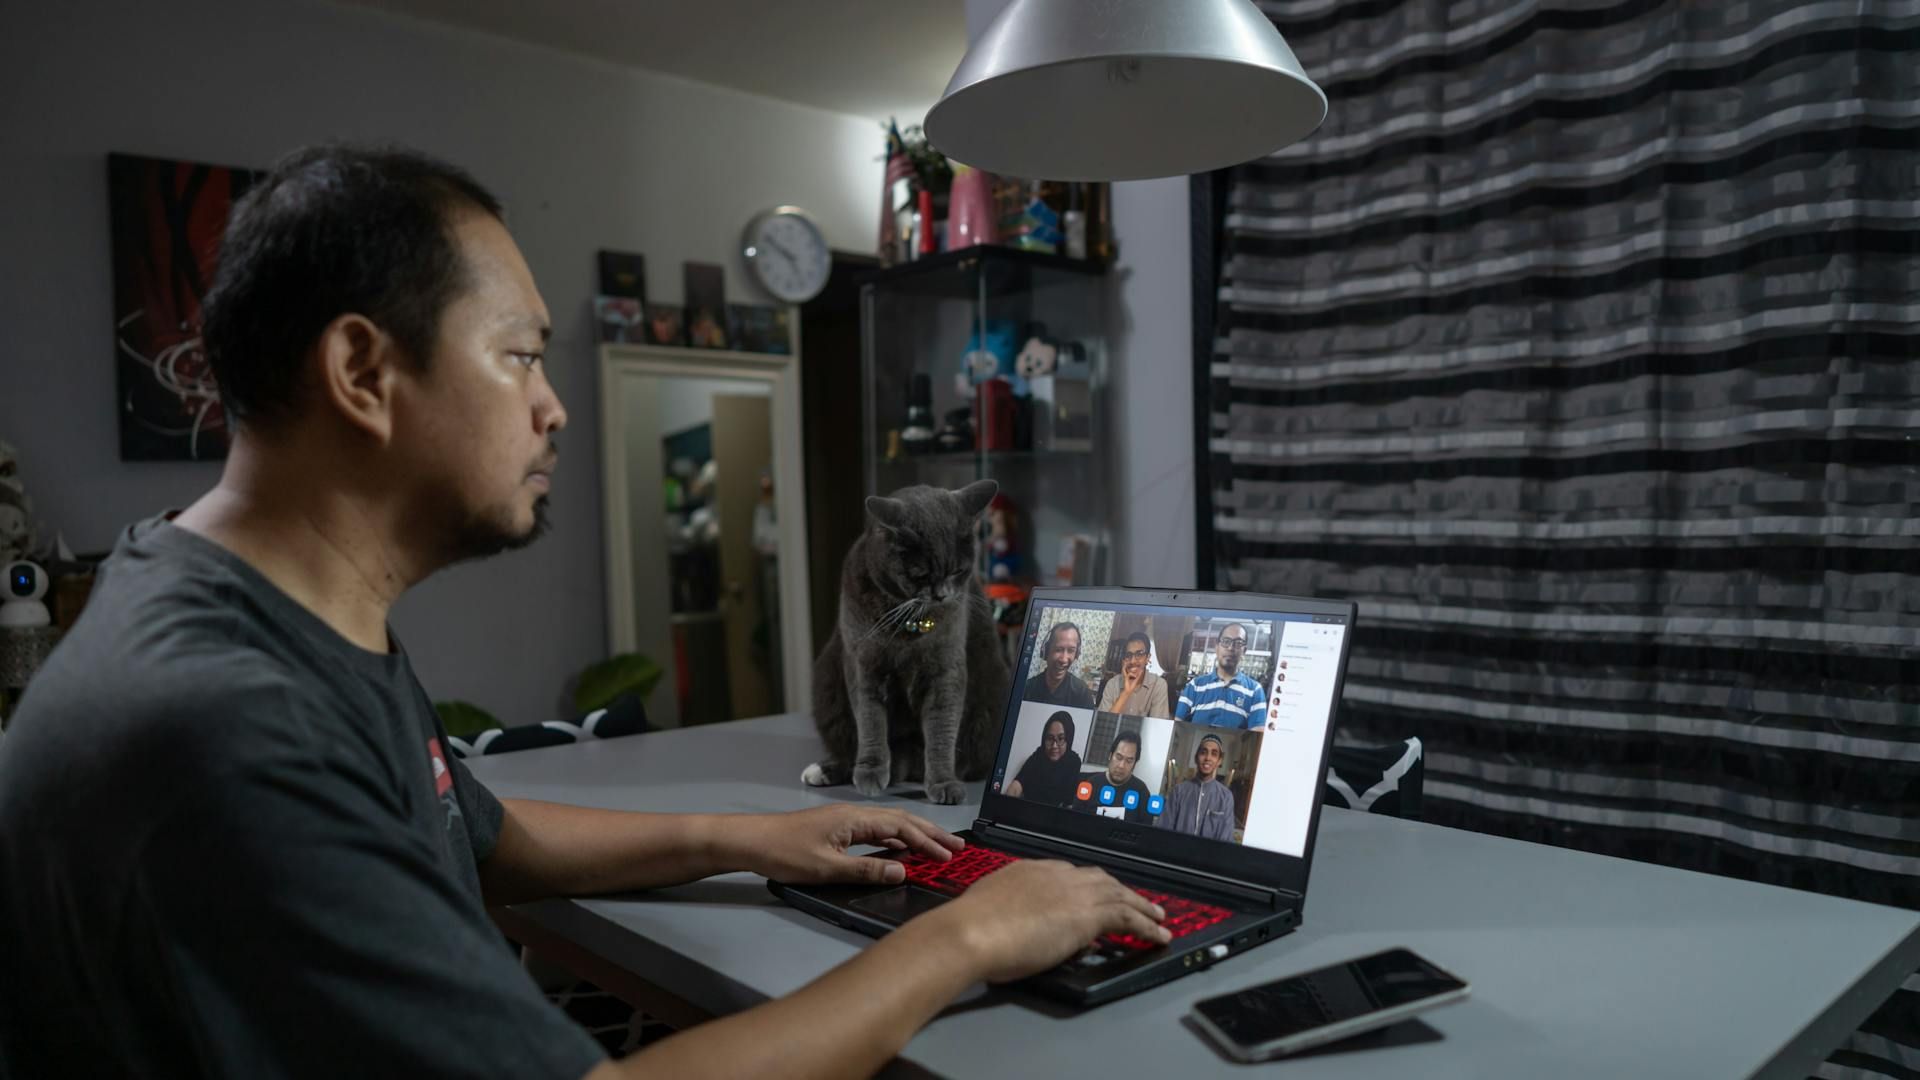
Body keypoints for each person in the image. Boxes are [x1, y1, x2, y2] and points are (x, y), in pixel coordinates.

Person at [0, 145, 1169, 1080]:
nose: (556, 408)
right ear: (363, 373)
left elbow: (479, 833)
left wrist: (746, 837)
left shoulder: (243, 593)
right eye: (519, 357)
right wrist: (964, 935)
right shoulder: (227, 729)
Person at [1173, 621, 1266, 728]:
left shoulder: (1255, 691)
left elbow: (1256, 735)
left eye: (1238, 643)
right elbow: (1178, 728)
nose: (1231, 648)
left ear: (1244, 651)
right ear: (1216, 647)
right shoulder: (1195, 686)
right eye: (1226, 641)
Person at [1158, 733, 1238, 840]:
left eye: (1214, 754)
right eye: (1203, 752)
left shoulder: (1226, 797)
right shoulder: (1179, 791)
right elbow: (1163, 831)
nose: (1208, 758)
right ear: (1196, 758)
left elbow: (1226, 840)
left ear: (1219, 761)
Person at [1071, 730, 1153, 824]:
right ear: (1110, 755)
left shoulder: (1142, 792)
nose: (1121, 765)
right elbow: (1074, 822)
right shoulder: (1090, 785)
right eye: (1118, 757)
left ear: (1135, 763)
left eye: (1129, 761)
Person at [1004, 710, 1082, 806]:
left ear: (1068, 739)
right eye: (1050, 738)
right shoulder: (1038, 756)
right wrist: (1005, 805)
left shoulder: (1073, 762)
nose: (1054, 746)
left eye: (1061, 739)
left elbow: (1068, 802)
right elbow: (1017, 784)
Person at [1096, 632, 1171, 717]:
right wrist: (1126, 693)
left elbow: (1157, 727)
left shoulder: (1158, 685)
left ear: (1148, 658)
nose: (1133, 661)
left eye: (1139, 654)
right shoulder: (1112, 684)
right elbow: (1103, 724)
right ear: (1124, 660)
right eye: (1129, 655)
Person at [1023, 620, 1095, 708]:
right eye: (1058, 649)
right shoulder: (1027, 688)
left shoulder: (1083, 693)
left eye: (1071, 651)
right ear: (1046, 651)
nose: (1064, 659)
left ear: (1076, 654)